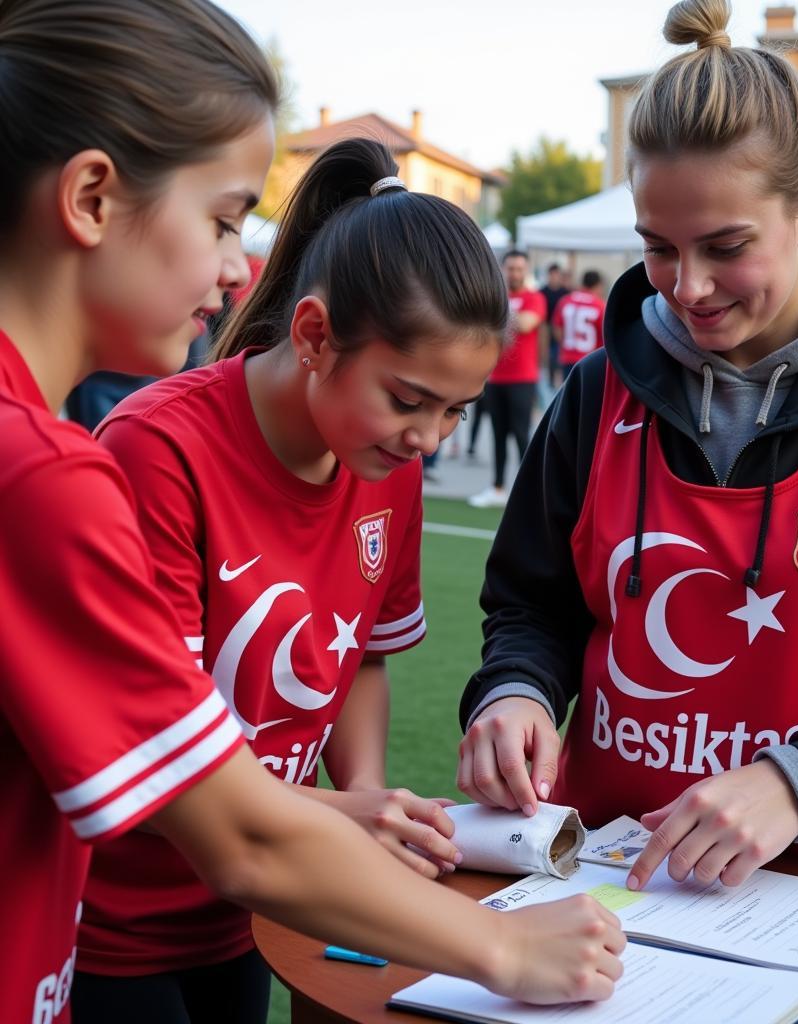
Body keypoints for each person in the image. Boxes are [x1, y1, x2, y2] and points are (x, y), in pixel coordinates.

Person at [0, 4, 626, 1023]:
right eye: (221, 217)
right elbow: (234, 830)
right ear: (91, 196)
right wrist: (501, 946)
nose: (239, 263)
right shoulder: (53, 471)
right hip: (116, 938)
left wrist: (361, 811)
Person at [457, 0, 798, 899]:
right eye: (657, 248)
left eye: (726, 247)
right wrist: (516, 691)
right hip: (611, 888)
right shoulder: (598, 390)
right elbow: (530, 607)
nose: (687, 288)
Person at [72, 136, 526, 1019]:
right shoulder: (158, 451)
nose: (429, 440)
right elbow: (156, 749)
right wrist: (330, 820)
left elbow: (363, 657)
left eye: (454, 412)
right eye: (406, 399)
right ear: (315, 335)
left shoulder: (389, 470)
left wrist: (358, 801)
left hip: (261, 907)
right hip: (112, 926)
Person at [468, 250, 545, 508]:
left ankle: (530, 491)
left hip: (522, 378)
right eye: (510, 268)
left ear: (526, 271)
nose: (514, 273)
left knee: (522, 436)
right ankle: (498, 487)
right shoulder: (498, 299)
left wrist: (495, 313)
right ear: (502, 269)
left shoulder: (533, 297)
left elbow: (525, 324)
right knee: (498, 435)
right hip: (495, 379)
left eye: (519, 268)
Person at [552, 270, 606, 380]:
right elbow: (605, 334)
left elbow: (557, 329)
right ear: (598, 285)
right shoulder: (600, 305)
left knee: (569, 394)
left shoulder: (565, 300)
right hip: (591, 360)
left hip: (568, 358)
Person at [540, 262, 570, 388]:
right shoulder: (542, 292)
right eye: (552, 275)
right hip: (546, 330)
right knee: (549, 359)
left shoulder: (566, 292)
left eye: (556, 275)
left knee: (560, 358)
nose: (554, 277)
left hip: (561, 330)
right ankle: (550, 384)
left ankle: (560, 384)